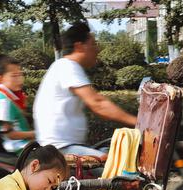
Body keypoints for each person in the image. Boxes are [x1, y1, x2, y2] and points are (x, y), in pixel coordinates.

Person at [33, 22, 137, 157]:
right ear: (79, 46)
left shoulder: (64, 66)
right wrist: (137, 122)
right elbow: (98, 104)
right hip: (61, 149)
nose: (97, 49)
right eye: (93, 44)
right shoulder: (67, 67)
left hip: (67, 146)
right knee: (117, 169)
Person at [0, 56, 35, 154]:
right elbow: (9, 134)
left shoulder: (9, 96)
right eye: (14, 76)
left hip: (24, 144)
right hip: (18, 147)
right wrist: (35, 134)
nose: (19, 79)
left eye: (20, 75)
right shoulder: (2, 100)